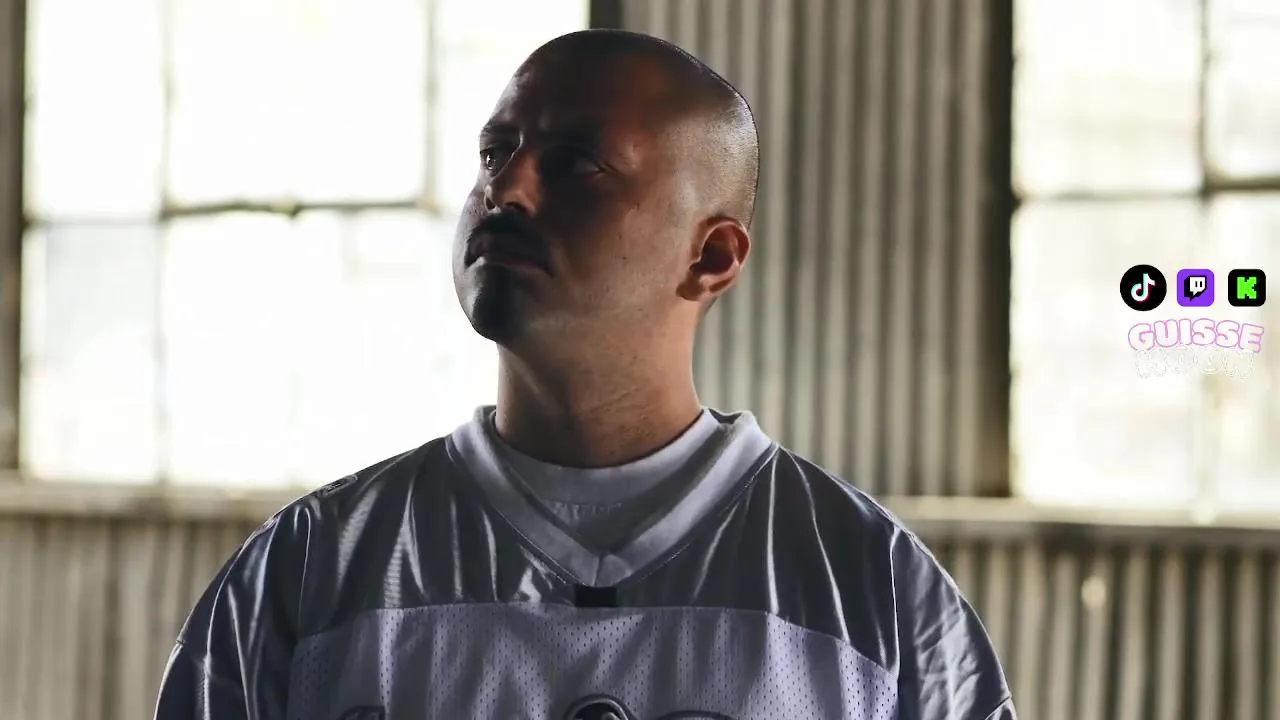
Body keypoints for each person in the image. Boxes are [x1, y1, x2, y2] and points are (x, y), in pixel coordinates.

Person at [154, 29, 1016, 720]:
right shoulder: (307, 572)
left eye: (575, 164)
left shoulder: (871, 594)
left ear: (712, 256)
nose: (506, 190)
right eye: (495, 152)